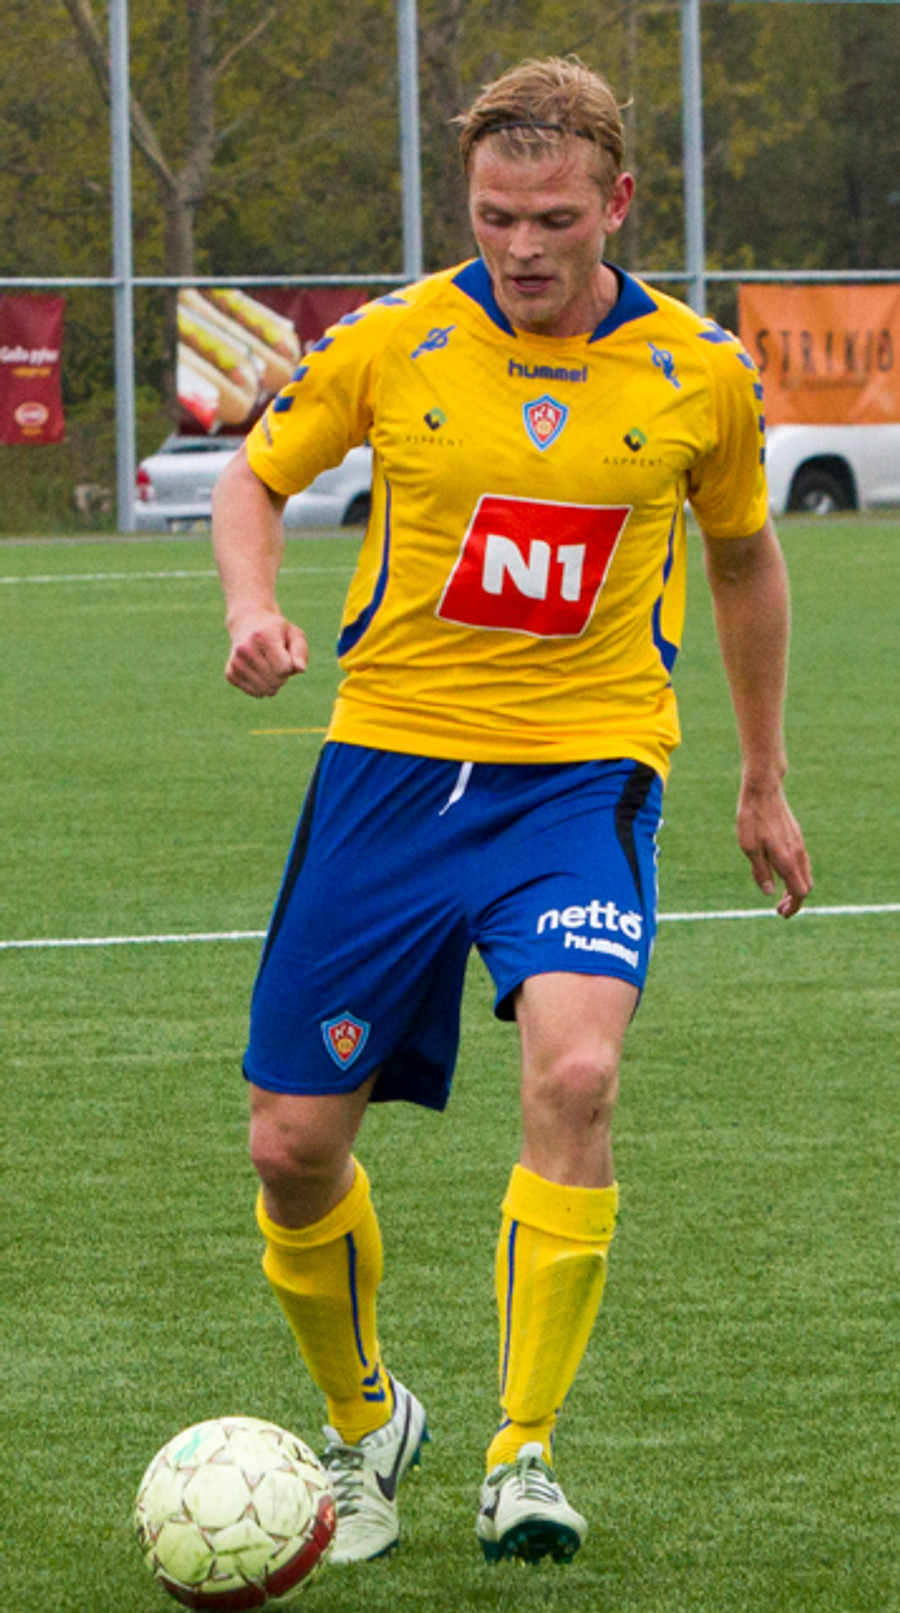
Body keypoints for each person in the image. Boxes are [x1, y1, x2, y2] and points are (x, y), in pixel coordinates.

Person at [211, 54, 813, 1568]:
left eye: (553, 218)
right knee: (289, 1145)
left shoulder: (700, 372)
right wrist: (251, 607)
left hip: (585, 774)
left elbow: (745, 558)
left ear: (617, 202)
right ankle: (369, 1421)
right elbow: (253, 479)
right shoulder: (394, 340)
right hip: (390, 769)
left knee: (581, 1070)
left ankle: (521, 1451)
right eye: (494, 217)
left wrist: (760, 774)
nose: (522, 248)